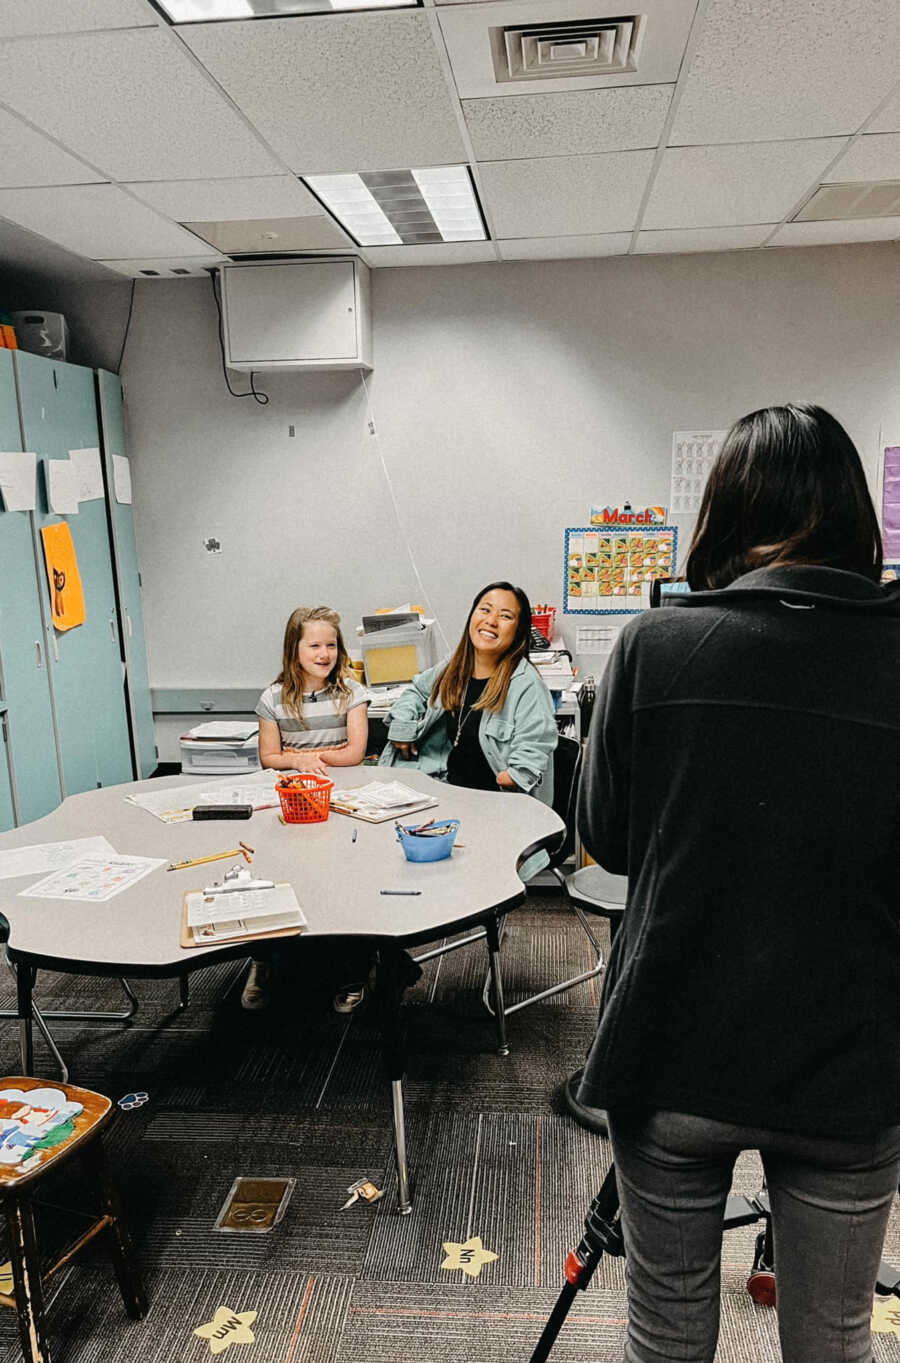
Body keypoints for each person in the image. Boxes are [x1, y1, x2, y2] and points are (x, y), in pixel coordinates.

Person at [577, 403, 900, 1363]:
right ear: (854, 517)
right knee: (832, 1342)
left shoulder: (652, 647)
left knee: (666, 1333)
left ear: (722, 513)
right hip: (851, 1064)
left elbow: (605, 839)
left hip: (673, 1045)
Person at [242, 605, 369, 1011]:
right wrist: (297, 760)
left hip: (339, 800)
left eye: (331, 644)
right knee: (274, 877)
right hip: (289, 802)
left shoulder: (352, 693)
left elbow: (355, 754)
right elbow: (269, 756)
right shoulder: (272, 699)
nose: (324, 653)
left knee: (342, 884)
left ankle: (352, 970)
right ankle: (263, 962)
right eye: (314, 644)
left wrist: (306, 755)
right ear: (293, 650)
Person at [380, 582, 557, 820]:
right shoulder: (454, 666)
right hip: (442, 797)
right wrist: (402, 725)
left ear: (519, 631)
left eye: (505, 616)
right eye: (485, 610)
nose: (491, 621)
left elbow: (537, 741)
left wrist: (514, 776)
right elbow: (417, 692)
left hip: (495, 812)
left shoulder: (526, 684)